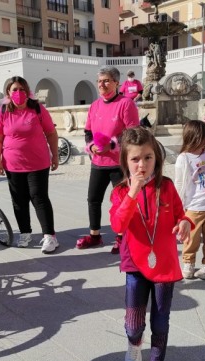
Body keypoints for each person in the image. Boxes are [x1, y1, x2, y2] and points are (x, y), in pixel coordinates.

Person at [109, 127, 192, 361]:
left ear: (156, 157)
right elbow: (117, 225)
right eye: (135, 159)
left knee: (160, 320)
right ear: (126, 162)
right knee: (134, 324)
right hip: (135, 263)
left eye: (147, 157)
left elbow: (181, 214)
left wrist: (186, 223)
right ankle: (134, 343)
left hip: (164, 264)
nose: (142, 164)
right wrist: (133, 191)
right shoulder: (121, 192)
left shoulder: (166, 187)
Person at [0, 76, 60, 253]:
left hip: (38, 163)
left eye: (22, 89)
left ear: (28, 91)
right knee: (19, 201)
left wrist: (55, 155)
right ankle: (25, 233)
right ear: (8, 92)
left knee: (39, 197)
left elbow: (51, 133)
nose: (18, 93)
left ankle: (49, 237)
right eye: (14, 89)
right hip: (12, 164)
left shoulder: (37, 108)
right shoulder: (3, 111)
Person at [76, 65, 140, 253]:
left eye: (106, 80)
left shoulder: (126, 103)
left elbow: (133, 134)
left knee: (121, 202)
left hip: (118, 163)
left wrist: (111, 146)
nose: (102, 84)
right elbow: (88, 132)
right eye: (99, 81)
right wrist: (92, 147)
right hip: (98, 162)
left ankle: (122, 237)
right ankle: (95, 235)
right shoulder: (94, 105)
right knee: (93, 199)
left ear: (116, 82)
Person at [174, 120, 205, 280]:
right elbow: (179, 183)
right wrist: (179, 207)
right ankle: (188, 262)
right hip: (194, 207)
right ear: (197, 137)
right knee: (191, 238)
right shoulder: (184, 158)